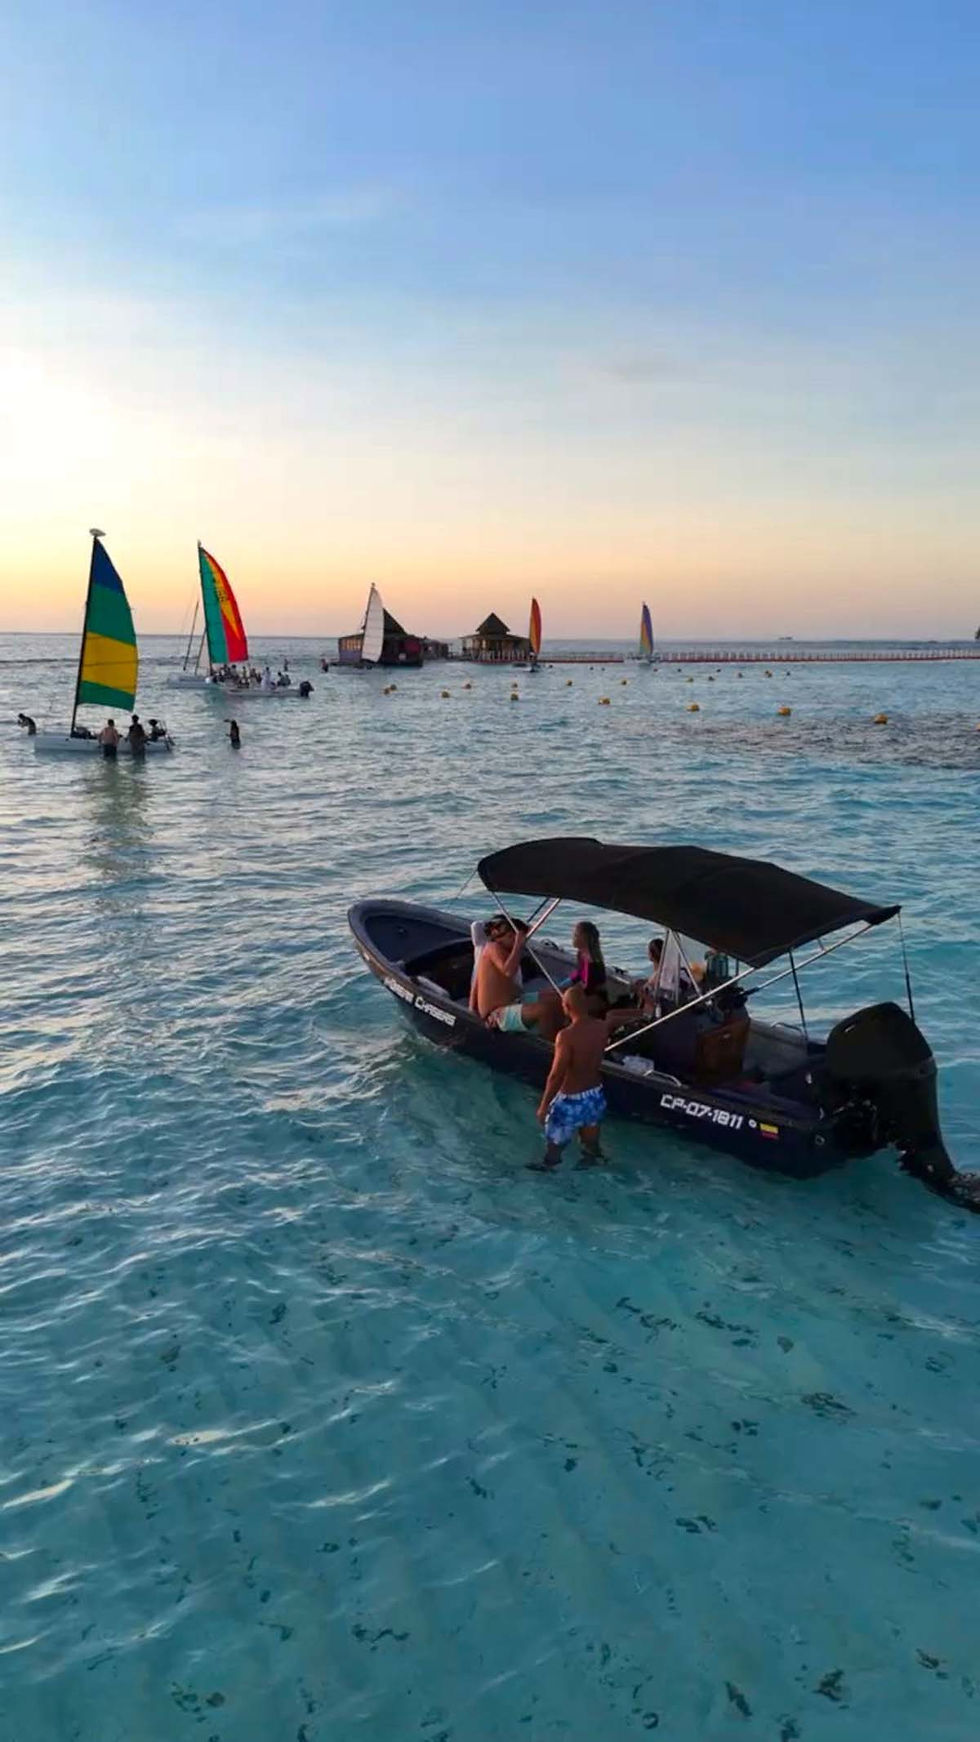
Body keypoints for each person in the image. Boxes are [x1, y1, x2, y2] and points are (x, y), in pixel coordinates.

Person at [533, 986, 609, 1170]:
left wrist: (544, 1105)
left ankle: (548, 1167)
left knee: (554, 1148)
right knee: (591, 1146)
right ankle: (594, 1163)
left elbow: (556, 1075)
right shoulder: (602, 1027)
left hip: (570, 1100)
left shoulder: (566, 1036)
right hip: (594, 1095)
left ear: (566, 1007)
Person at [476, 918, 564, 1040]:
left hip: (514, 1000)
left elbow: (479, 982)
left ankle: (561, 1032)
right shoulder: (492, 947)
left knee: (558, 998)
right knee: (544, 1010)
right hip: (497, 1012)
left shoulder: (505, 951)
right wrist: (518, 945)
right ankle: (551, 1043)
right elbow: (508, 972)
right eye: (513, 938)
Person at [568, 920, 607, 1009]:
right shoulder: (580, 954)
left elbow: (589, 987)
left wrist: (571, 992)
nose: (572, 938)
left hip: (594, 996)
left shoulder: (591, 961)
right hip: (585, 990)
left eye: (575, 935)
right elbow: (578, 974)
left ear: (584, 938)